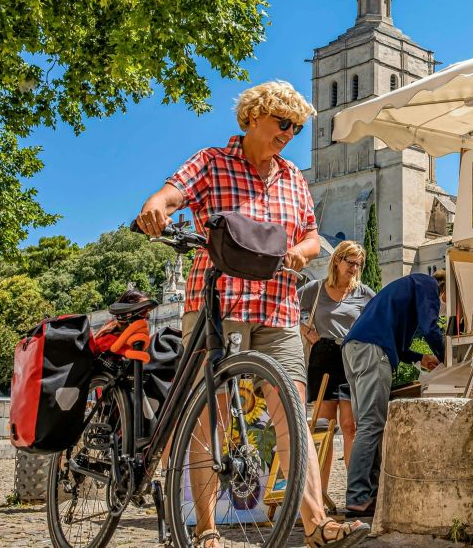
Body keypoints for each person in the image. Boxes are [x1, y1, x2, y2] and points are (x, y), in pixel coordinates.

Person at [137, 81, 367, 548]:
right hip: (218, 305)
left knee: (293, 417)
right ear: (253, 117)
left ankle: (317, 525)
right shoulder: (212, 162)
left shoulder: (294, 178)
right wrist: (157, 206)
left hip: (278, 307)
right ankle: (205, 529)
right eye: (283, 123)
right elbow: (174, 192)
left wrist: (303, 253)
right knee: (210, 416)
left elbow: (309, 234)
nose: (290, 133)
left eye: (297, 127)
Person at [341, 271, 446, 516]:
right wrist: (447, 358)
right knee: (371, 424)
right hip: (372, 350)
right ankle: (357, 496)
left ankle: (370, 495)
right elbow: (430, 326)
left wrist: (421, 357)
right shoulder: (428, 283)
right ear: (444, 289)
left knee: (369, 424)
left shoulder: (407, 288)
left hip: (354, 348)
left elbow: (398, 345)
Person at [298, 240, 375, 493]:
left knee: (350, 425)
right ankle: (319, 494)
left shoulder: (363, 293)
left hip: (351, 357)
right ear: (337, 260)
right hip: (323, 357)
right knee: (323, 428)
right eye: (350, 262)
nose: (354, 268)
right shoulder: (316, 289)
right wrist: (305, 330)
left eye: (358, 264)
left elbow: (379, 317)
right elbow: (288, 307)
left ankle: (354, 493)